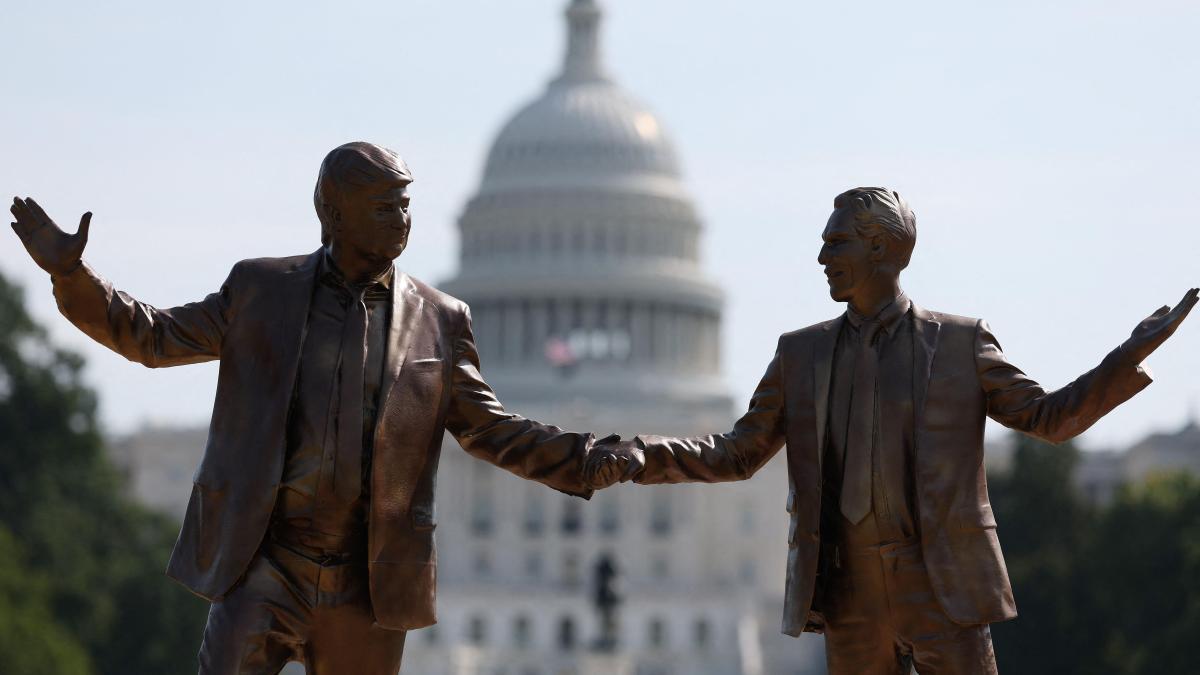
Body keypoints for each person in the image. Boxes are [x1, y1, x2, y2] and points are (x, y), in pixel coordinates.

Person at [9, 142, 613, 675]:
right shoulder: (262, 291)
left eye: (405, 206)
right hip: (267, 563)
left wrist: (598, 458)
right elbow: (154, 337)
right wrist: (72, 274)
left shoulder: (440, 321)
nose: (402, 221)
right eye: (384, 207)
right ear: (334, 211)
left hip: (365, 583)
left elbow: (495, 432)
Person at [585, 187, 1197, 674]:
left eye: (837, 243)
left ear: (881, 248)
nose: (822, 259)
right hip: (847, 591)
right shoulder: (800, 355)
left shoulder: (960, 344)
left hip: (942, 585)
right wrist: (641, 455)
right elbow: (738, 453)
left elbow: (1048, 419)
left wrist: (1126, 359)